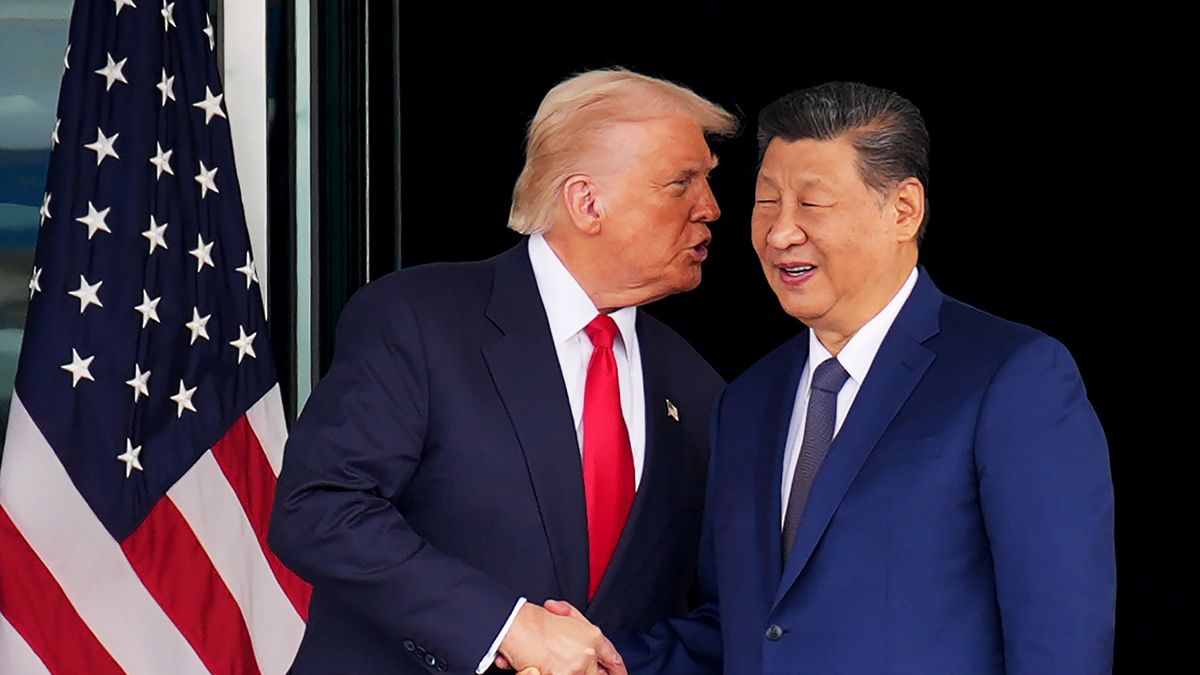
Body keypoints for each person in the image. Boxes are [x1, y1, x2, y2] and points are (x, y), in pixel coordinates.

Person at [567, 81, 1115, 674]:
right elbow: (739, 624)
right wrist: (600, 661)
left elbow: (1061, 642)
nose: (780, 233)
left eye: (812, 203)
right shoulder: (746, 402)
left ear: (903, 209)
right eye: (767, 201)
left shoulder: (1011, 377)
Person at [268, 68, 738, 675]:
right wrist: (505, 625)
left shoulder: (699, 387)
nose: (711, 208)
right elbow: (319, 508)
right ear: (587, 202)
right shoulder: (420, 319)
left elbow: (713, 604)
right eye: (682, 183)